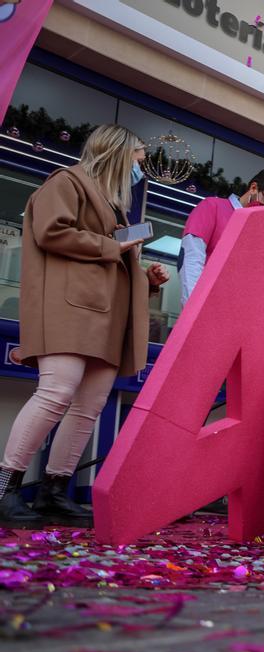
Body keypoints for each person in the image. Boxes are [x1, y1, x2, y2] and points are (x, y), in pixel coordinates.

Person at [0, 124, 170, 527]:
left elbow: (103, 261)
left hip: (105, 317)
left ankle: (53, 491)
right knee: (56, 393)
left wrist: (145, 280)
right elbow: (51, 231)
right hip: (71, 309)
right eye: (138, 157)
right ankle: (6, 486)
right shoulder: (67, 181)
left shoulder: (113, 205)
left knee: (88, 407)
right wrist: (114, 247)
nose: (141, 167)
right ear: (115, 153)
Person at [179, 169, 264, 306]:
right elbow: (191, 259)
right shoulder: (213, 207)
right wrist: (193, 311)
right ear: (253, 188)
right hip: (206, 309)